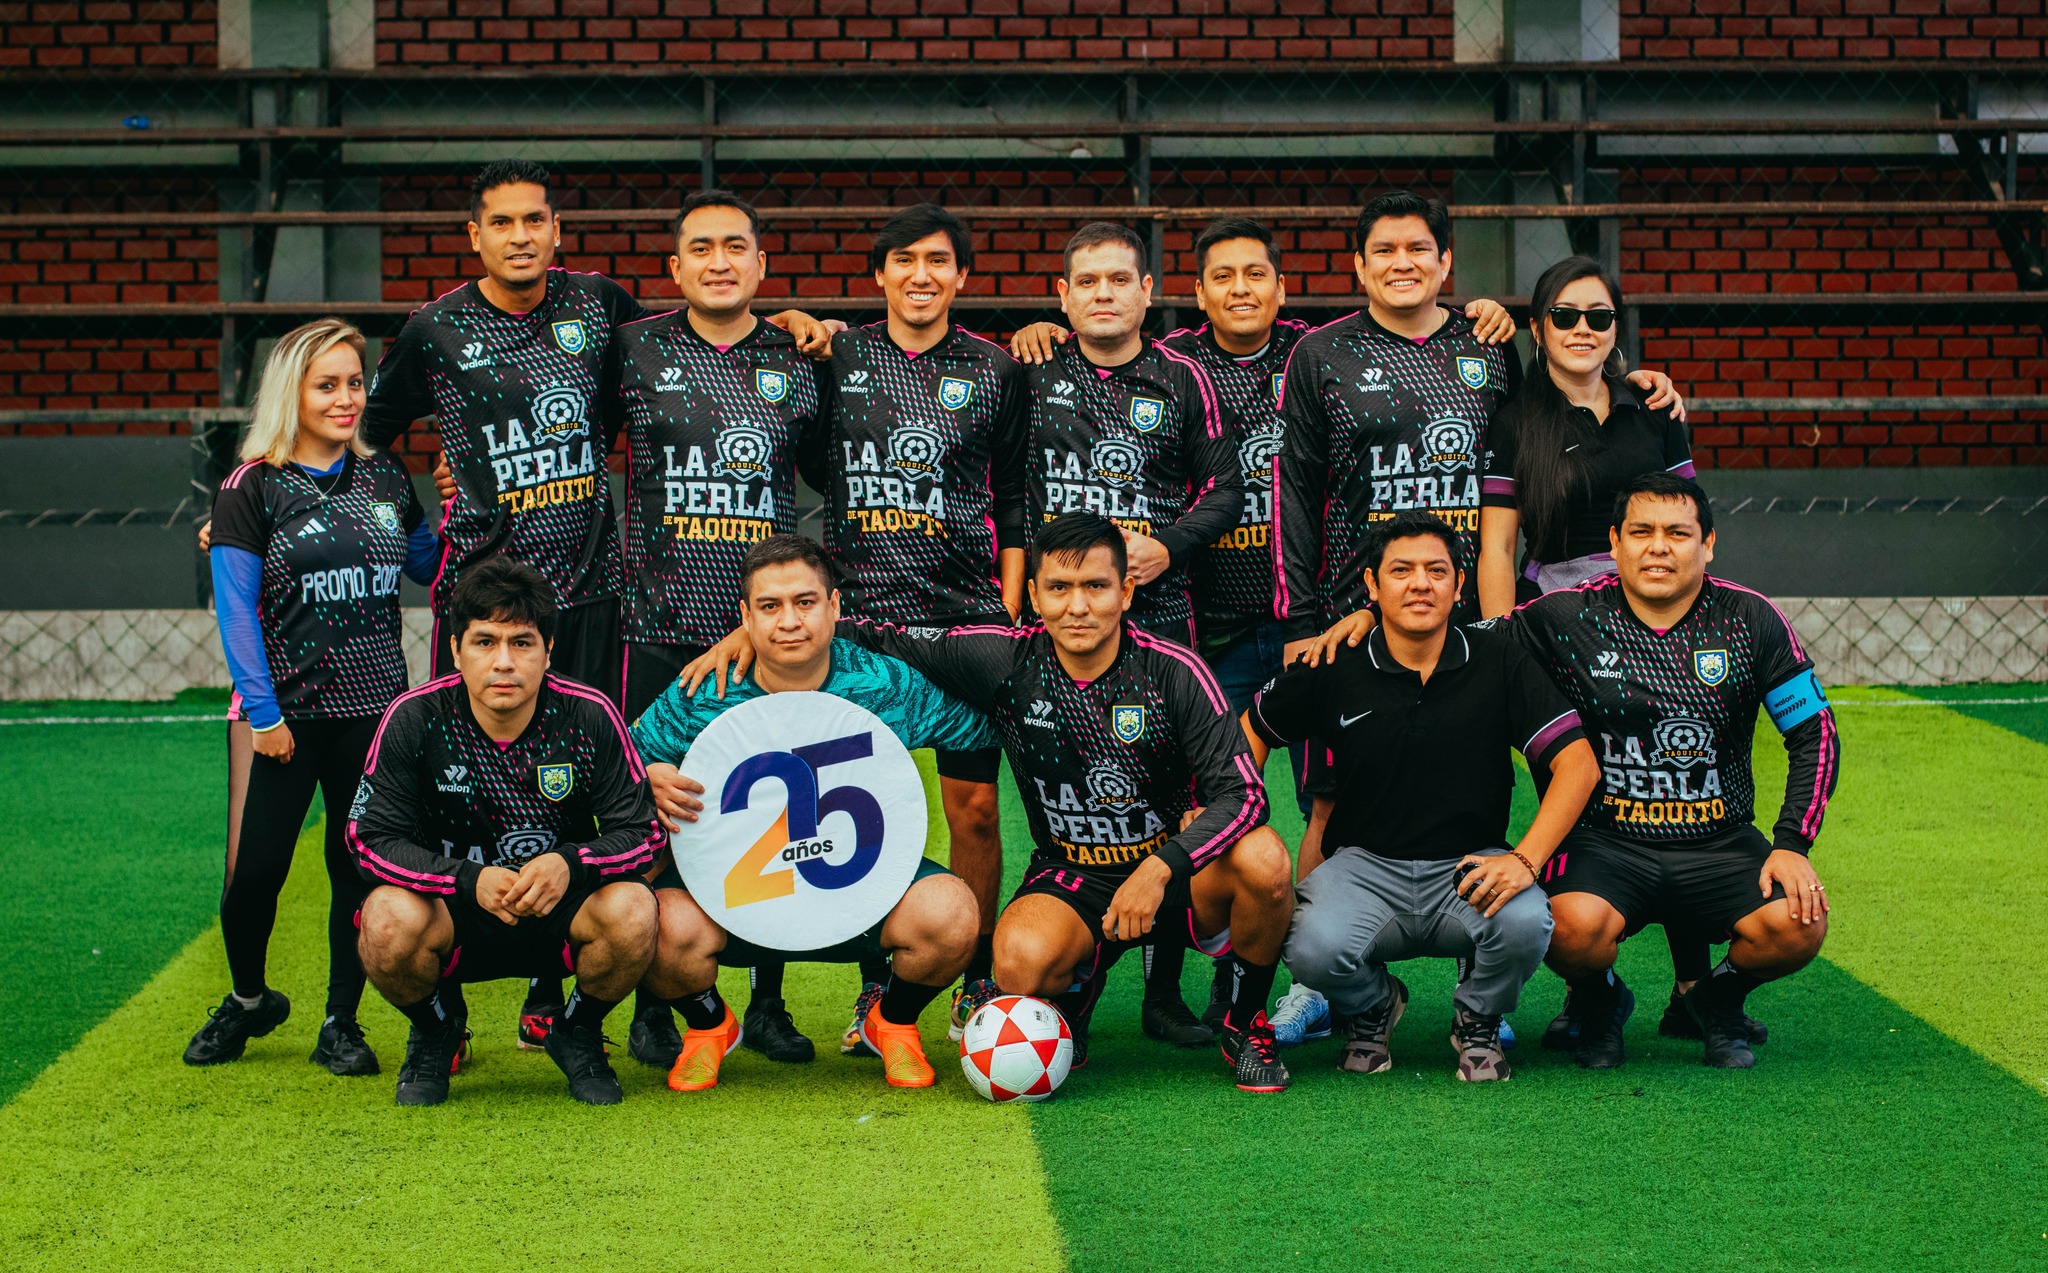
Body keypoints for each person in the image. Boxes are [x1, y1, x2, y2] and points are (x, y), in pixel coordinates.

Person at [1013, 217, 1524, 1047]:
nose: (1241, 288)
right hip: (1211, 623)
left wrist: (1481, 313)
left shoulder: (1314, 351)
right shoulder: (1177, 362)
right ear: (1191, 293)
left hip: (1313, 616)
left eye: (1257, 273)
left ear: (1284, 289)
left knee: (1327, 799)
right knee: (1197, 799)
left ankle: (1312, 981)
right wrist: (1042, 331)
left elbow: (1405, 329)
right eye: (1223, 276)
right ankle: (1182, 984)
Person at [1306, 474, 1839, 1069]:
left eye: (1677, 533)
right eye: (1641, 532)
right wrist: (1370, 618)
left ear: (1707, 544)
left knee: (1800, 921)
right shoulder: (1564, 615)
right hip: (1606, 841)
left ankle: (1717, 1000)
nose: (1658, 548)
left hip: (1719, 838)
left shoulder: (1752, 618)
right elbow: (1459, 636)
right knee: (1560, 926)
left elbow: (1815, 732)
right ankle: (1600, 1000)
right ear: (1614, 543)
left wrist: (1792, 843)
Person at [798, 513, 1297, 1093]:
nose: (1077, 607)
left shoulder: (1175, 670)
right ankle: (1077, 998)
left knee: (1264, 860)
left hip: (1176, 873)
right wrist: (760, 636)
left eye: (1095, 586)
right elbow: (879, 635)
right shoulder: (1004, 660)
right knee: (1017, 963)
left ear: (1126, 591)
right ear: (1034, 595)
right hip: (1075, 874)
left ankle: (1245, 1021)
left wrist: (1159, 869)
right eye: (1059, 588)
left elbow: (1244, 794)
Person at [358, 158, 648, 1048]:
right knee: (466, 789)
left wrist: (800, 325)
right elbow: (367, 435)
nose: (520, 236)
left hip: (588, 594)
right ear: (474, 235)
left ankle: (552, 985)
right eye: (502, 222)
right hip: (480, 603)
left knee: (579, 790)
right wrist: (418, 506)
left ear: (557, 230)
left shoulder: (601, 303)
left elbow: (680, 358)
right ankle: (446, 993)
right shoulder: (435, 327)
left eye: (535, 220)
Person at [758, 204, 1032, 1063]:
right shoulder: (839, 356)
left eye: (938, 261)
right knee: (858, 808)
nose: (921, 274)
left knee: (974, 810)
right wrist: (792, 319)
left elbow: (1014, 495)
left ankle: (976, 974)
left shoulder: (993, 368)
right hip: (861, 620)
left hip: (962, 619)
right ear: (878, 275)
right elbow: (800, 450)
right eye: (904, 260)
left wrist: (1007, 609)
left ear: (961, 276)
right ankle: (879, 982)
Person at [1474, 255, 1735, 1049]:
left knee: (1674, 791)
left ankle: (1693, 991)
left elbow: (1686, 523)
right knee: (1577, 796)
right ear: (1538, 327)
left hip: (1657, 622)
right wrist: (1502, 642)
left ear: (1617, 328)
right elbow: (1498, 546)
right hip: (1556, 631)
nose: (1582, 330)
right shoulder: (1514, 420)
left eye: (1599, 316)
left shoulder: (1653, 407)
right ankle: (1592, 991)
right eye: (1565, 315)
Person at [598, 188, 830, 1067]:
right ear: (675, 266)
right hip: (656, 622)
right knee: (660, 808)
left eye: (736, 246)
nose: (719, 261)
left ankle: (767, 1000)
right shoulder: (631, 349)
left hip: (766, 635)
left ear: (762, 264)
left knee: (774, 816)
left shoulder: (798, 356)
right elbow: (573, 442)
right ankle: (660, 1001)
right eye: (701, 248)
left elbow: (836, 472)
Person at [1244, 512, 1600, 1081]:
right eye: (1401, 571)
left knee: (1527, 921)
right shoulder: (1336, 661)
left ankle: (1478, 1017)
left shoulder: (1498, 658)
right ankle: (1373, 1005)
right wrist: (1241, 817)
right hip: (1364, 867)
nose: (1420, 584)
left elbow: (1578, 765)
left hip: (1467, 866)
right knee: (1309, 946)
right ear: (1372, 585)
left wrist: (1524, 860)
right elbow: (1252, 731)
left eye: (1437, 571)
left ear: (1460, 586)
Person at [628, 535, 991, 1092]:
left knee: (952, 914)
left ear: (835, 605)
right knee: (653, 923)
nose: (790, 622)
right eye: (769, 606)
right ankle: (709, 1026)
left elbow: (981, 726)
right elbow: (617, 757)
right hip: (734, 901)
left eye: (805, 602)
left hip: (864, 898)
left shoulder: (883, 684)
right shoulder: (706, 690)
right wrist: (645, 776)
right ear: (745, 616)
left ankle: (892, 1021)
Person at [183, 318, 439, 1077]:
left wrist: (456, 509)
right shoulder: (250, 486)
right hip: (284, 719)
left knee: (353, 869)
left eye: (355, 382)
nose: (346, 398)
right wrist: (263, 713)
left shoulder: (386, 476)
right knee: (255, 874)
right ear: (289, 391)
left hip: (374, 715)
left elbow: (430, 566)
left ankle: (340, 1022)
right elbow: (235, 611)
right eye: (326, 384)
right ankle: (248, 999)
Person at [347, 556, 664, 1105]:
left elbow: (643, 833)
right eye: (484, 642)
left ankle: (577, 1031)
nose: (503, 662)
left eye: (522, 643)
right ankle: (435, 1031)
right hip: (455, 911)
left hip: (558, 908)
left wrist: (570, 863)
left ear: (548, 650)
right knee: (385, 919)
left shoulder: (588, 715)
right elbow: (369, 839)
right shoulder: (415, 717)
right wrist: (466, 879)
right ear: (455, 650)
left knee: (635, 908)